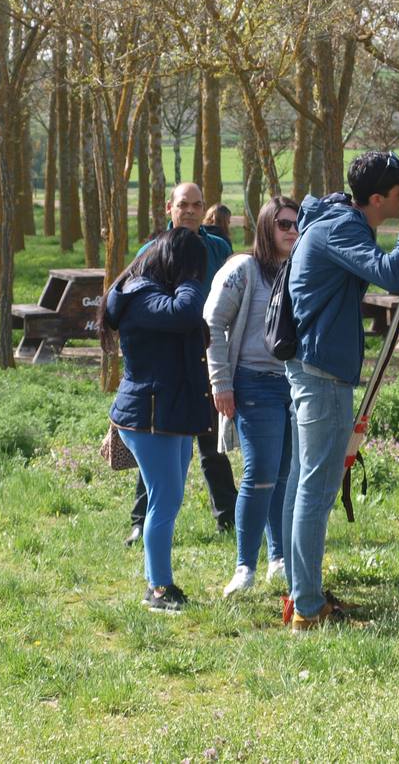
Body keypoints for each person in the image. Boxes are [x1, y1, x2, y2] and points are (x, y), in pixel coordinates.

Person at [282, 152, 399, 632]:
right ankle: (307, 606)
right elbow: (389, 274)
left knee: (306, 485)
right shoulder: (340, 227)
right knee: (317, 489)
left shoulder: (337, 220)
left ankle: (302, 594)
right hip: (322, 373)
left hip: (317, 368)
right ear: (377, 198)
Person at [101, 228, 215, 613]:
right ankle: (158, 589)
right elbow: (185, 313)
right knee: (164, 502)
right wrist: (191, 280)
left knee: (168, 499)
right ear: (178, 264)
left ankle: (158, 581)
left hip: (169, 413)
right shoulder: (141, 296)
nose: (199, 278)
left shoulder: (152, 294)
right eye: (195, 269)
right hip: (149, 415)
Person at [124, 183, 237, 546]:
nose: (189, 211)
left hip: (209, 353)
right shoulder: (151, 250)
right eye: (182, 204)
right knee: (159, 441)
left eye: (196, 205)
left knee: (211, 442)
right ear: (168, 207)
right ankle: (141, 520)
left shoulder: (218, 247)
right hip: (169, 360)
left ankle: (229, 518)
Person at [205, 196, 299, 597]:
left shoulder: (301, 269)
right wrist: (221, 383)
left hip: (295, 386)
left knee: (284, 476)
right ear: (266, 226)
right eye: (283, 224)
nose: (292, 231)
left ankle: (279, 559)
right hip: (254, 383)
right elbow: (212, 321)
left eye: (297, 223)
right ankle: (245, 566)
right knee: (259, 476)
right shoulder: (243, 269)